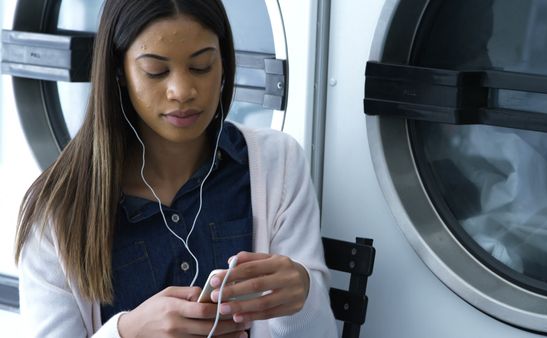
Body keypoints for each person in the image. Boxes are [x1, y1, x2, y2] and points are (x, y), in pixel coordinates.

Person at [14, 1, 337, 337]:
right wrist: (128, 332)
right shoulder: (57, 207)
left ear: (224, 64)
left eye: (201, 67)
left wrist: (304, 298)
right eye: (156, 71)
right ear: (119, 72)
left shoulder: (277, 162)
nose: (182, 91)